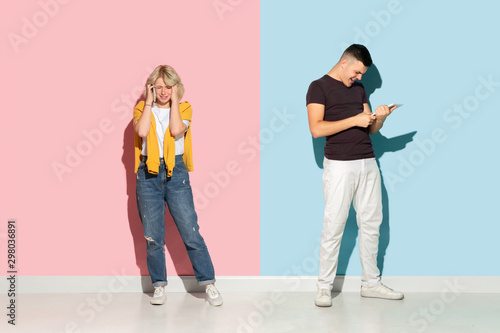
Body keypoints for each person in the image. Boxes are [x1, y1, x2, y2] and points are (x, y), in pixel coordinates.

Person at [306, 44, 404, 307]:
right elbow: (316, 129)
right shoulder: (318, 87)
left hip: (368, 162)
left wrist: (380, 119)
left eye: (362, 74)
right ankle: (324, 288)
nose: (359, 78)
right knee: (334, 226)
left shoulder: (359, 89)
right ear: (344, 63)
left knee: (372, 224)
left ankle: (371, 283)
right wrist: (354, 120)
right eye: (358, 72)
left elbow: (370, 129)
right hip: (339, 166)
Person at [133, 65, 222, 306]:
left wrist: (172, 101)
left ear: (176, 87)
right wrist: (149, 102)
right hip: (147, 173)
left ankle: (209, 284)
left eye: (168, 86)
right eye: (158, 86)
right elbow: (142, 131)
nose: (163, 91)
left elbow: (175, 129)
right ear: (151, 88)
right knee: (153, 236)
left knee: (190, 231)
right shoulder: (143, 108)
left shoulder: (184, 107)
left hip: (176, 173)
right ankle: (159, 286)